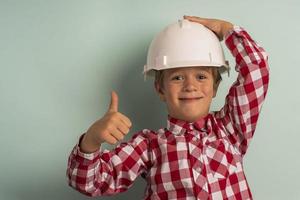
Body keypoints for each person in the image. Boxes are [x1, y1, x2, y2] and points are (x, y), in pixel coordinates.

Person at [66, 15, 269, 200]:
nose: (190, 86)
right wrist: (92, 139)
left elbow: (256, 67)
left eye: (201, 76)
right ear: (160, 89)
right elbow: (88, 183)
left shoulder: (230, 129)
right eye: (177, 77)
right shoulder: (149, 146)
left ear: (215, 87)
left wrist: (227, 29)